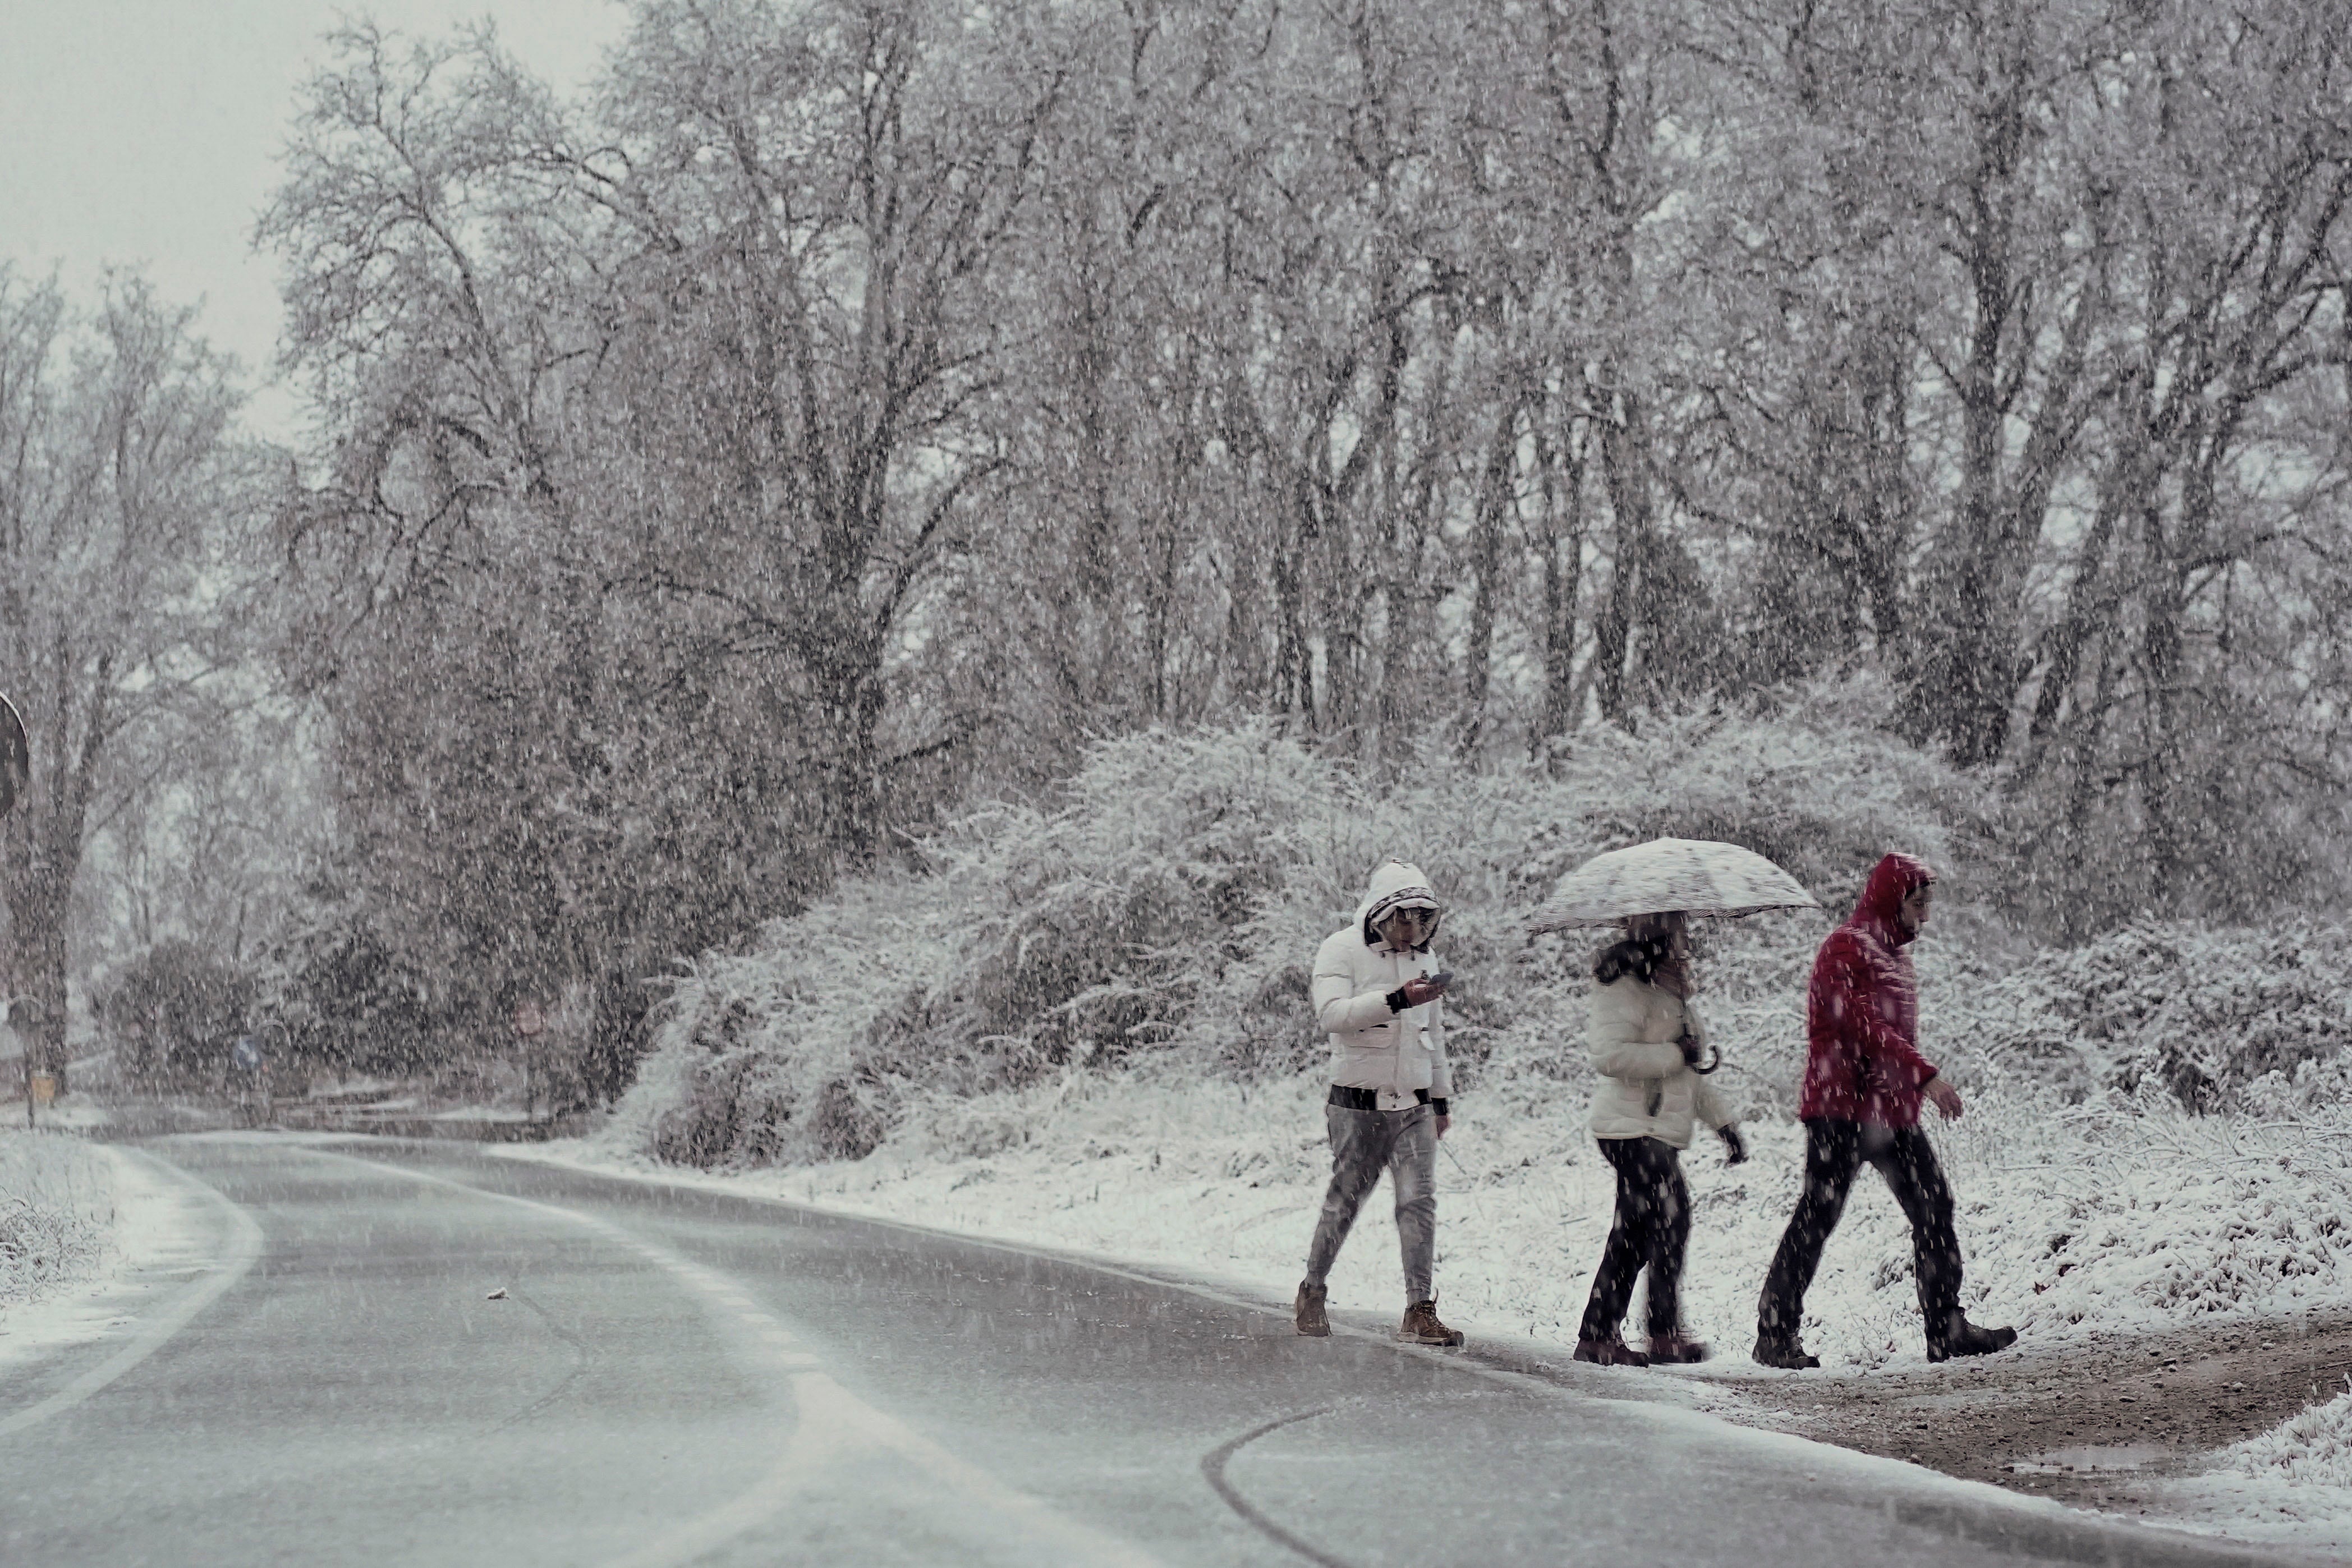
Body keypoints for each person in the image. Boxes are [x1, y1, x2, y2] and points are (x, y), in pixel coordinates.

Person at [1753, 853, 2016, 1369]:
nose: (1926, 916)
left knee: (1934, 1206)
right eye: (1918, 904)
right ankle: (1774, 1334)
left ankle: (1946, 1327)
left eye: (1927, 904)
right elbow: (1862, 1026)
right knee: (1818, 1215)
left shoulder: (1896, 958)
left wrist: (1908, 1088)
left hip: (1890, 1113)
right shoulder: (1845, 947)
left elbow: (1888, 1033)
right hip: (1840, 1108)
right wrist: (1926, 1075)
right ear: (1891, 900)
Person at [1294, 859, 1464, 1347]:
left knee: (1419, 1203)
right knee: (1344, 1201)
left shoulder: (1426, 961)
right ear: (1379, 914)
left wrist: (1441, 1099)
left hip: (1414, 1106)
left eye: (1421, 919)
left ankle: (1419, 1308)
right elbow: (1332, 1015)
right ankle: (1313, 1289)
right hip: (1356, 1105)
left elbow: (1434, 1034)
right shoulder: (1341, 949)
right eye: (1402, 918)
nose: (1412, 929)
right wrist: (1395, 1000)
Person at [1574, 911, 1746, 1367]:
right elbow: (1609, 1056)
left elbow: (1689, 1075)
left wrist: (1724, 1124)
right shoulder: (1623, 989)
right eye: (1678, 939)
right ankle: (1632, 1333)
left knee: (1649, 1228)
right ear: (1657, 944)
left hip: (1657, 1132)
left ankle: (1621, 1333)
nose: (1686, 950)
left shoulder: (1674, 998)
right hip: (1630, 1129)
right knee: (1659, 1224)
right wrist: (1674, 1052)